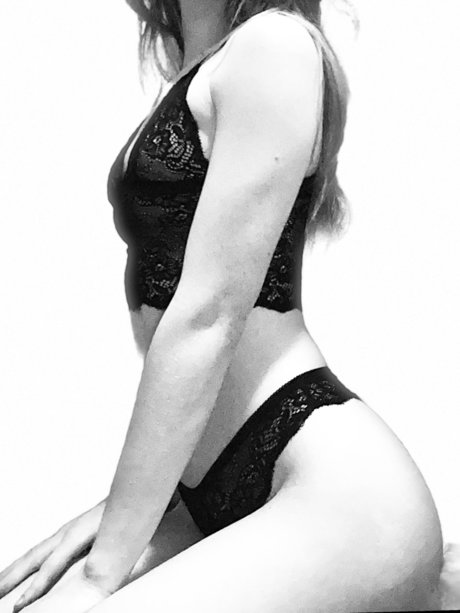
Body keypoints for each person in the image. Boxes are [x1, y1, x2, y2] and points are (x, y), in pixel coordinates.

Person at [0, 1, 445, 611]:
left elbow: (208, 316)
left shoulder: (274, 45)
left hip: (332, 487)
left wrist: (102, 573)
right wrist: (131, 503)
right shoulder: (210, 62)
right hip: (207, 484)